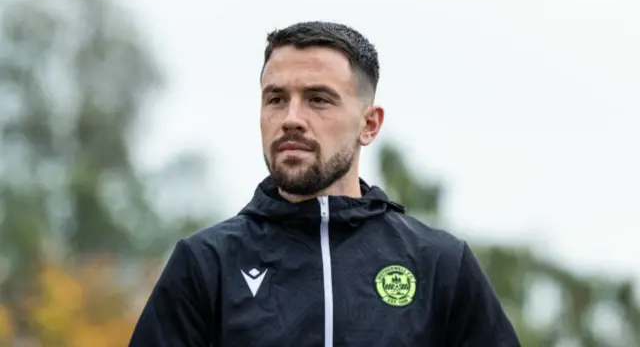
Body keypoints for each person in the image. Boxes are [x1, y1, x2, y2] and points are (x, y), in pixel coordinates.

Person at [128, 21, 521, 347]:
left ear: (369, 125)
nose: (291, 118)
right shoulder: (205, 263)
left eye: (318, 99)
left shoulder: (440, 264)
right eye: (276, 99)